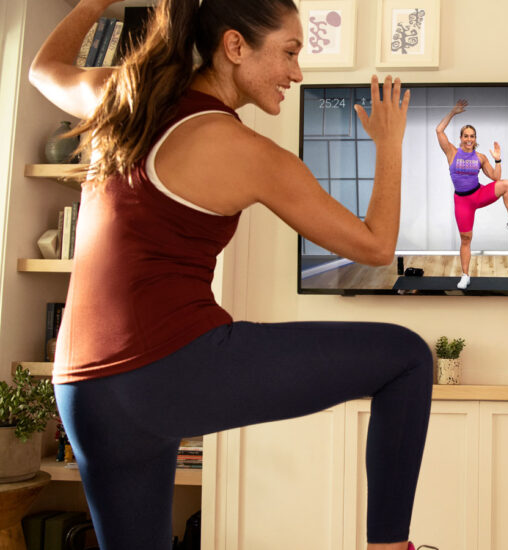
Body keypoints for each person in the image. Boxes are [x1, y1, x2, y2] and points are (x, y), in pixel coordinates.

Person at [29, 1, 432, 549]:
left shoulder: (122, 96)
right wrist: (389, 146)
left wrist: (93, 4)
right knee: (406, 357)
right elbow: (377, 246)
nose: (297, 72)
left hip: (81, 385)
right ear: (235, 46)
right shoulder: (247, 152)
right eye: (289, 52)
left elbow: (43, 70)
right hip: (167, 369)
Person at [435, 99, 508, 290]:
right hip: (462, 201)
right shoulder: (451, 152)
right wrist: (453, 112)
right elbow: (439, 130)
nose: (469, 139)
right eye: (465, 136)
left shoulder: (480, 157)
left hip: (478, 194)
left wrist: (498, 160)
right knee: (466, 239)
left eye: (472, 136)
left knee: (507, 185)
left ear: (475, 139)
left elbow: (496, 178)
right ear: (461, 138)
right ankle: (465, 275)